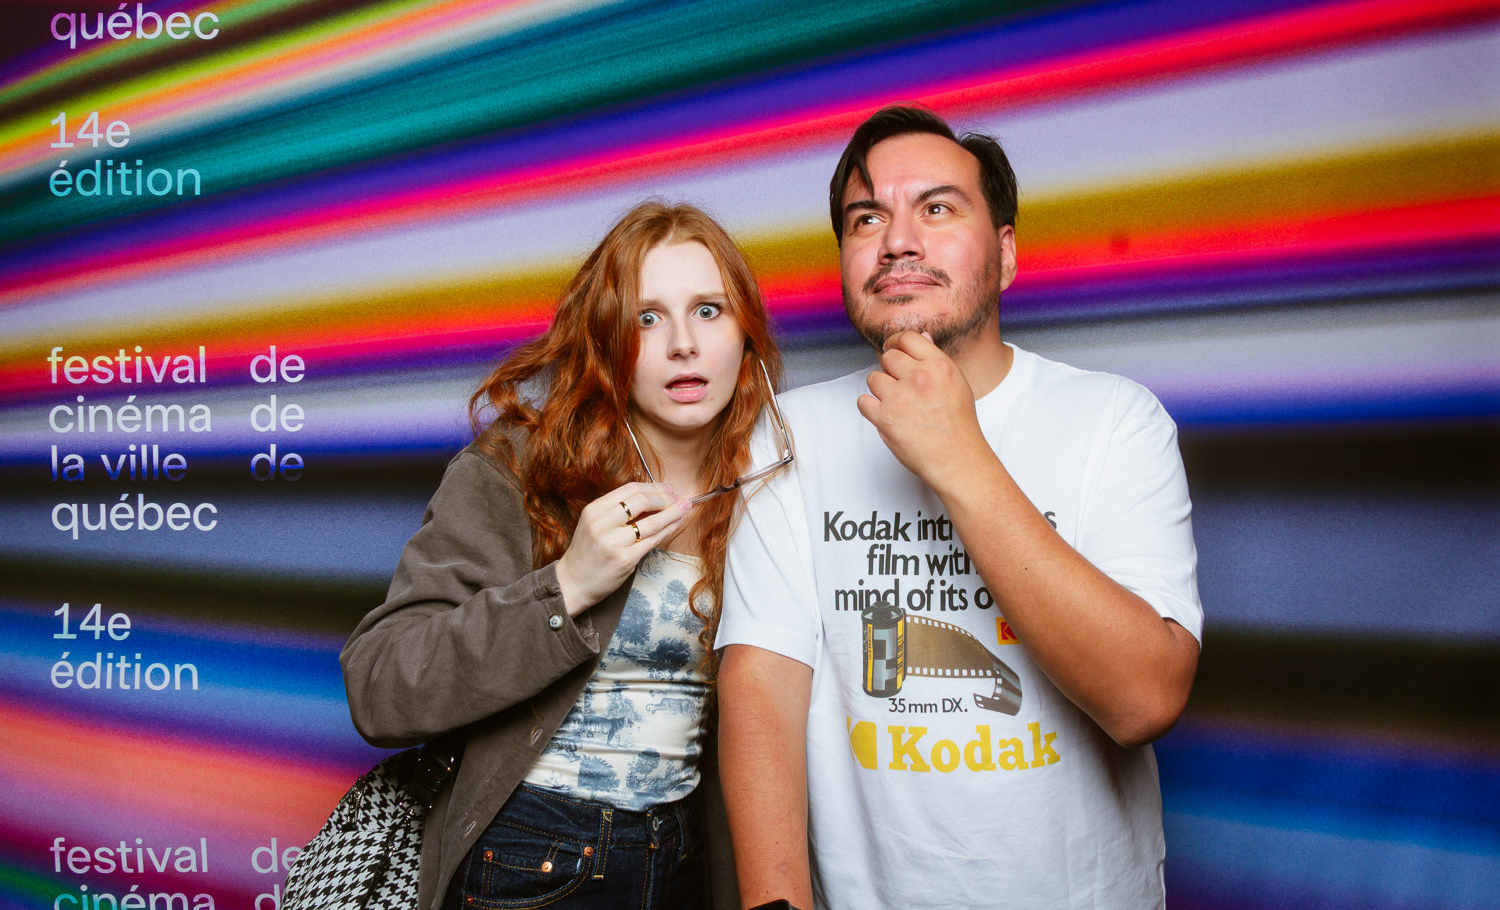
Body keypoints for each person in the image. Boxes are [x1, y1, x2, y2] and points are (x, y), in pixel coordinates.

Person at [716, 106, 1203, 910]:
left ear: (1005, 254)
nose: (897, 241)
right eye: (866, 219)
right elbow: (762, 686)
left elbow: (1144, 701)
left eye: (937, 209)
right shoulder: (787, 434)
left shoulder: (1116, 419)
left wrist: (960, 458)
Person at [342, 200, 790, 910]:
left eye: (708, 311)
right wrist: (569, 584)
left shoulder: (774, 482)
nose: (683, 344)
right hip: (532, 854)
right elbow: (380, 687)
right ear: (607, 339)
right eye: (647, 318)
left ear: (746, 332)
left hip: (684, 857)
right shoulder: (521, 468)